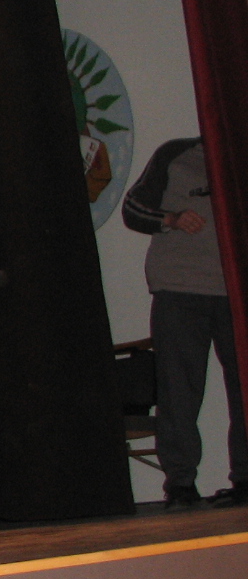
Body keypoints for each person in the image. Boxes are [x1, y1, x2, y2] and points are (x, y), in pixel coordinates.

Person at [122, 136, 248, 510]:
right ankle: (180, 486)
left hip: (236, 291)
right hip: (179, 288)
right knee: (178, 390)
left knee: (244, 388)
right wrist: (171, 219)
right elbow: (132, 209)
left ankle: (245, 481)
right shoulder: (177, 153)